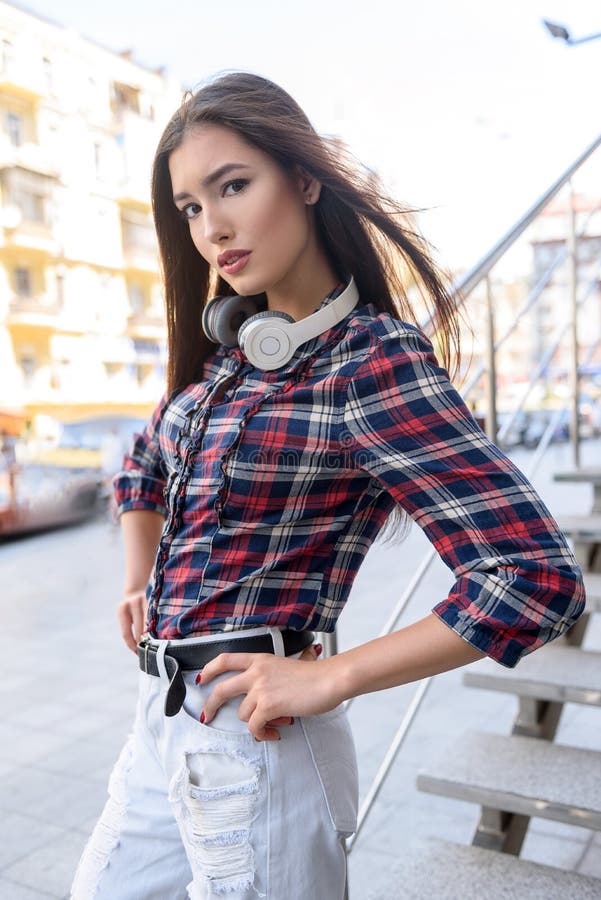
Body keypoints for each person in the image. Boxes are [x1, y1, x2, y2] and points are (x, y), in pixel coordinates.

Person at [70, 72, 585, 900]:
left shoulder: (371, 364)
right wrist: (139, 576)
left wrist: (330, 677)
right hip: (160, 721)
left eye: (233, 186)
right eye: (192, 207)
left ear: (305, 180)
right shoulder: (229, 355)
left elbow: (534, 579)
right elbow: (144, 464)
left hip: (257, 742)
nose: (212, 228)